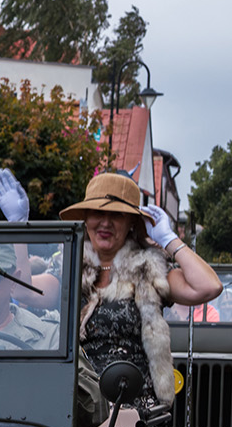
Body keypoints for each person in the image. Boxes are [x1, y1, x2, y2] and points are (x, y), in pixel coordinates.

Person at [59, 173, 221, 409]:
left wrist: (169, 239)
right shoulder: (69, 267)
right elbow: (26, 292)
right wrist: (21, 234)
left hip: (134, 416)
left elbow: (209, 286)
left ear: (132, 223)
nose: (105, 222)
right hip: (77, 413)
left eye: (116, 215)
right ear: (85, 219)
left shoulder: (148, 269)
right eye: (98, 213)